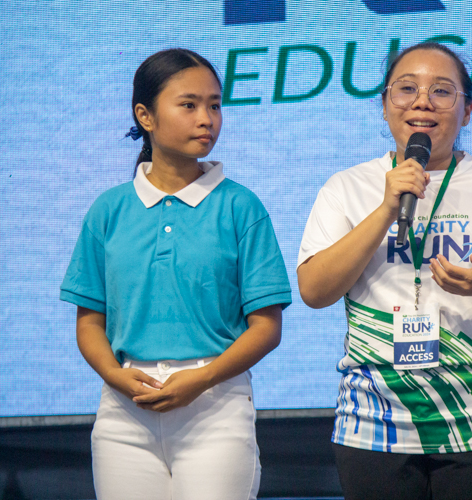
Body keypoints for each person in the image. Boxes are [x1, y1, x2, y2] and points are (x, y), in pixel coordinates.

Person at [297, 42, 472, 500]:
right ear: (384, 106)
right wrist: (386, 208)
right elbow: (314, 290)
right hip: (375, 424)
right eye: (406, 89)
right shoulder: (347, 188)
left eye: (442, 91)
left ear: (467, 111)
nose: (422, 101)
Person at [60, 48, 291, 500]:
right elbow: (90, 322)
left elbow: (266, 327)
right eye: (189, 105)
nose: (207, 118)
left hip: (215, 404)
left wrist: (201, 380)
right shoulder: (109, 209)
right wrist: (114, 374)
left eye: (215, 105)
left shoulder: (241, 206)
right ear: (145, 115)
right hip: (124, 410)